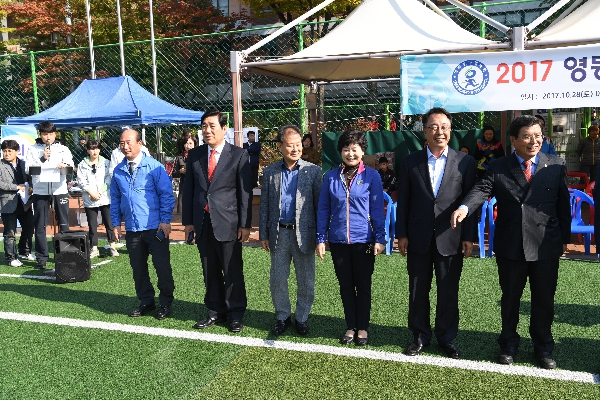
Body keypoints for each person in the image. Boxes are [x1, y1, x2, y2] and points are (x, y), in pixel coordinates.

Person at [451, 115, 570, 370]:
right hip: (511, 244)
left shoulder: (556, 164)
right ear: (513, 140)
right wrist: (464, 207)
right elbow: (482, 189)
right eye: (527, 136)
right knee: (511, 298)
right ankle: (508, 344)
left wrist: (565, 239)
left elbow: (563, 206)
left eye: (538, 136)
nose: (533, 141)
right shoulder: (499, 166)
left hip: (545, 244)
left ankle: (543, 346)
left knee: (543, 299)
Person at [395, 107, 477, 360]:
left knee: (448, 291)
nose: (439, 131)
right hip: (418, 236)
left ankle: (446, 337)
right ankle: (420, 336)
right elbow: (404, 201)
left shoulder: (466, 162)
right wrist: (402, 233)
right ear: (425, 131)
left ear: (450, 131)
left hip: (450, 237)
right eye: (433, 127)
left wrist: (468, 236)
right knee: (418, 290)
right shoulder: (410, 162)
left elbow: (470, 201)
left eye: (444, 127)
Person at [182, 110, 253, 333]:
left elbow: (244, 193)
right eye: (204, 126)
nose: (207, 130)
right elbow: (189, 190)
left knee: (232, 271)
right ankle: (215, 310)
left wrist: (245, 224)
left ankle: (235, 313)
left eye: (212, 126)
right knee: (209, 269)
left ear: (224, 129)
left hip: (229, 222)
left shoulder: (239, 155)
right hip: (202, 222)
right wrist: (188, 223)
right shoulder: (195, 155)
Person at [316, 130, 386, 346]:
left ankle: (362, 327)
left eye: (354, 149)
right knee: (345, 285)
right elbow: (323, 209)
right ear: (340, 153)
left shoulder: (372, 176)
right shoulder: (330, 176)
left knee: (363, 285)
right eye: (346, 149)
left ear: (362, 151)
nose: (350, 153)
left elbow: (377, 209)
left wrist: (380, 238)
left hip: (364, 241)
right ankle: (350, 326)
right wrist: (321, 238)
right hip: (338, 241)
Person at [259, 125, 322, 336]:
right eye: (290, 145)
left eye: (298, 145)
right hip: (279, 234)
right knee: (277, 278)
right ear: (280, 146)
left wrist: (320, 236)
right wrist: (263, 234)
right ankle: (282, 316)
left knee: (306, 280)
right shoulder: (269, 172)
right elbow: (265, 205)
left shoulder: (313, 171)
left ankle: (302, 317)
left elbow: (318, 206)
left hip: (305, 234)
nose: (295, 149)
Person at [110, 129, 175, 320]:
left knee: (162, 267)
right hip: (132, 228)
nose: (125, 146)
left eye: (129, 142)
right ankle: (146, 301)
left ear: (140, 143)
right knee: (138, 269)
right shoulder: (118, 170)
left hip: (155, 227)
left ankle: (165, 302)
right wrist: (116, 223)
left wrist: (165, 220)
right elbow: (115, 198)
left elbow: (166, 195)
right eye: (122, 143)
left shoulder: (154, 167)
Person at [25, 121, 74, 271]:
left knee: (64, 223)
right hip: (40, 190)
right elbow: (28, 170)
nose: (48, 137)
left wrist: (64, 167)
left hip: (59, 189)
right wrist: (42, 159)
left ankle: (66, 254)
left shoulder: (63, 149)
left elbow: (71, 169)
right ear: (40, 134)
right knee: (40, 224)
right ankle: (41, 257)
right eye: (45, 134)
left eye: (51, 134)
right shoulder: (32, 149)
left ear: (55, 134)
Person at [76, 139, 119, 258]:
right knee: (92, 224)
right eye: (92, 149)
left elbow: (109, 178)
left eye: (97, 148)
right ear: (87, 150)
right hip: (90, 197)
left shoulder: (106, 162)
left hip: (104, 196)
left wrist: (100, 191)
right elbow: (81, 181)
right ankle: (94, 247)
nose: (95, 151)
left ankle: (112, 246)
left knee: (109, 222)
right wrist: (91, 192)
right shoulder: (82, 164)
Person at [0, 140, 34, 267]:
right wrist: (16, 187)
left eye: (9, 151)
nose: (6, 153)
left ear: (17, 151)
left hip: (24, 203)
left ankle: (24, 251)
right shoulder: (0, 164)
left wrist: (30, 187)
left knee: (29, 228)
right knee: (10, 232)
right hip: (7, 203)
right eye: (4, 151)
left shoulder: (24, 164)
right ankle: (11, 257)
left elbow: (31, 179)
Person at [172, 135, 198, 214]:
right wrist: (180, 171)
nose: (188, 145)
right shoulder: (179, 157)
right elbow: (174, 174)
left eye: (190, 143)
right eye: (186, 143)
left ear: (194, 144)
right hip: (184, 185)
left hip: (197, 185)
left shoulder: (199, 156)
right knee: (183, 212)